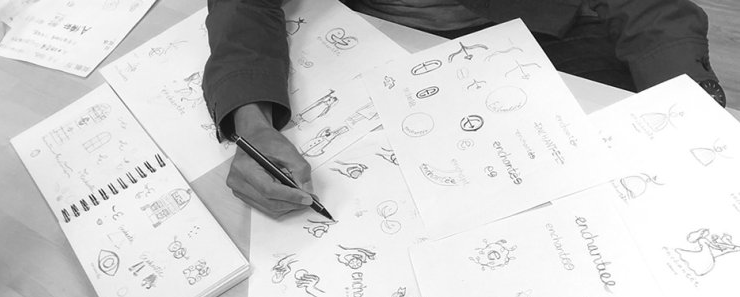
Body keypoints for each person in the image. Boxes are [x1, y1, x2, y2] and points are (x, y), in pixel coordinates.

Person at [203, 0, 727, 218]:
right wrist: (250, 117)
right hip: (379, 43)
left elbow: (653, 10)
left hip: (540, 29)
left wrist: (690, 117)